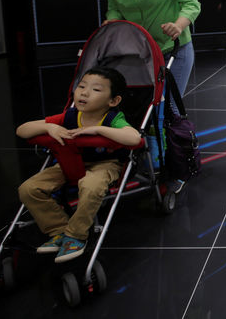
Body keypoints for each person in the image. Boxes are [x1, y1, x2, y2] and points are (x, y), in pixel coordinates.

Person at [17, 67, 141, 263]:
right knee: (29, 189)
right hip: (70, 161)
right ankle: (58, 230)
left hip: (105, 164)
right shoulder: (69, 116)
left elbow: (134, 138)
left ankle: (76, 235)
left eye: (96, 90)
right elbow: (22, 130)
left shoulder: (112, 119)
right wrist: (49, 127)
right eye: (82, 86)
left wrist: (98, 131)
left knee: (90, 187)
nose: (84, 92)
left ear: (113, 101)